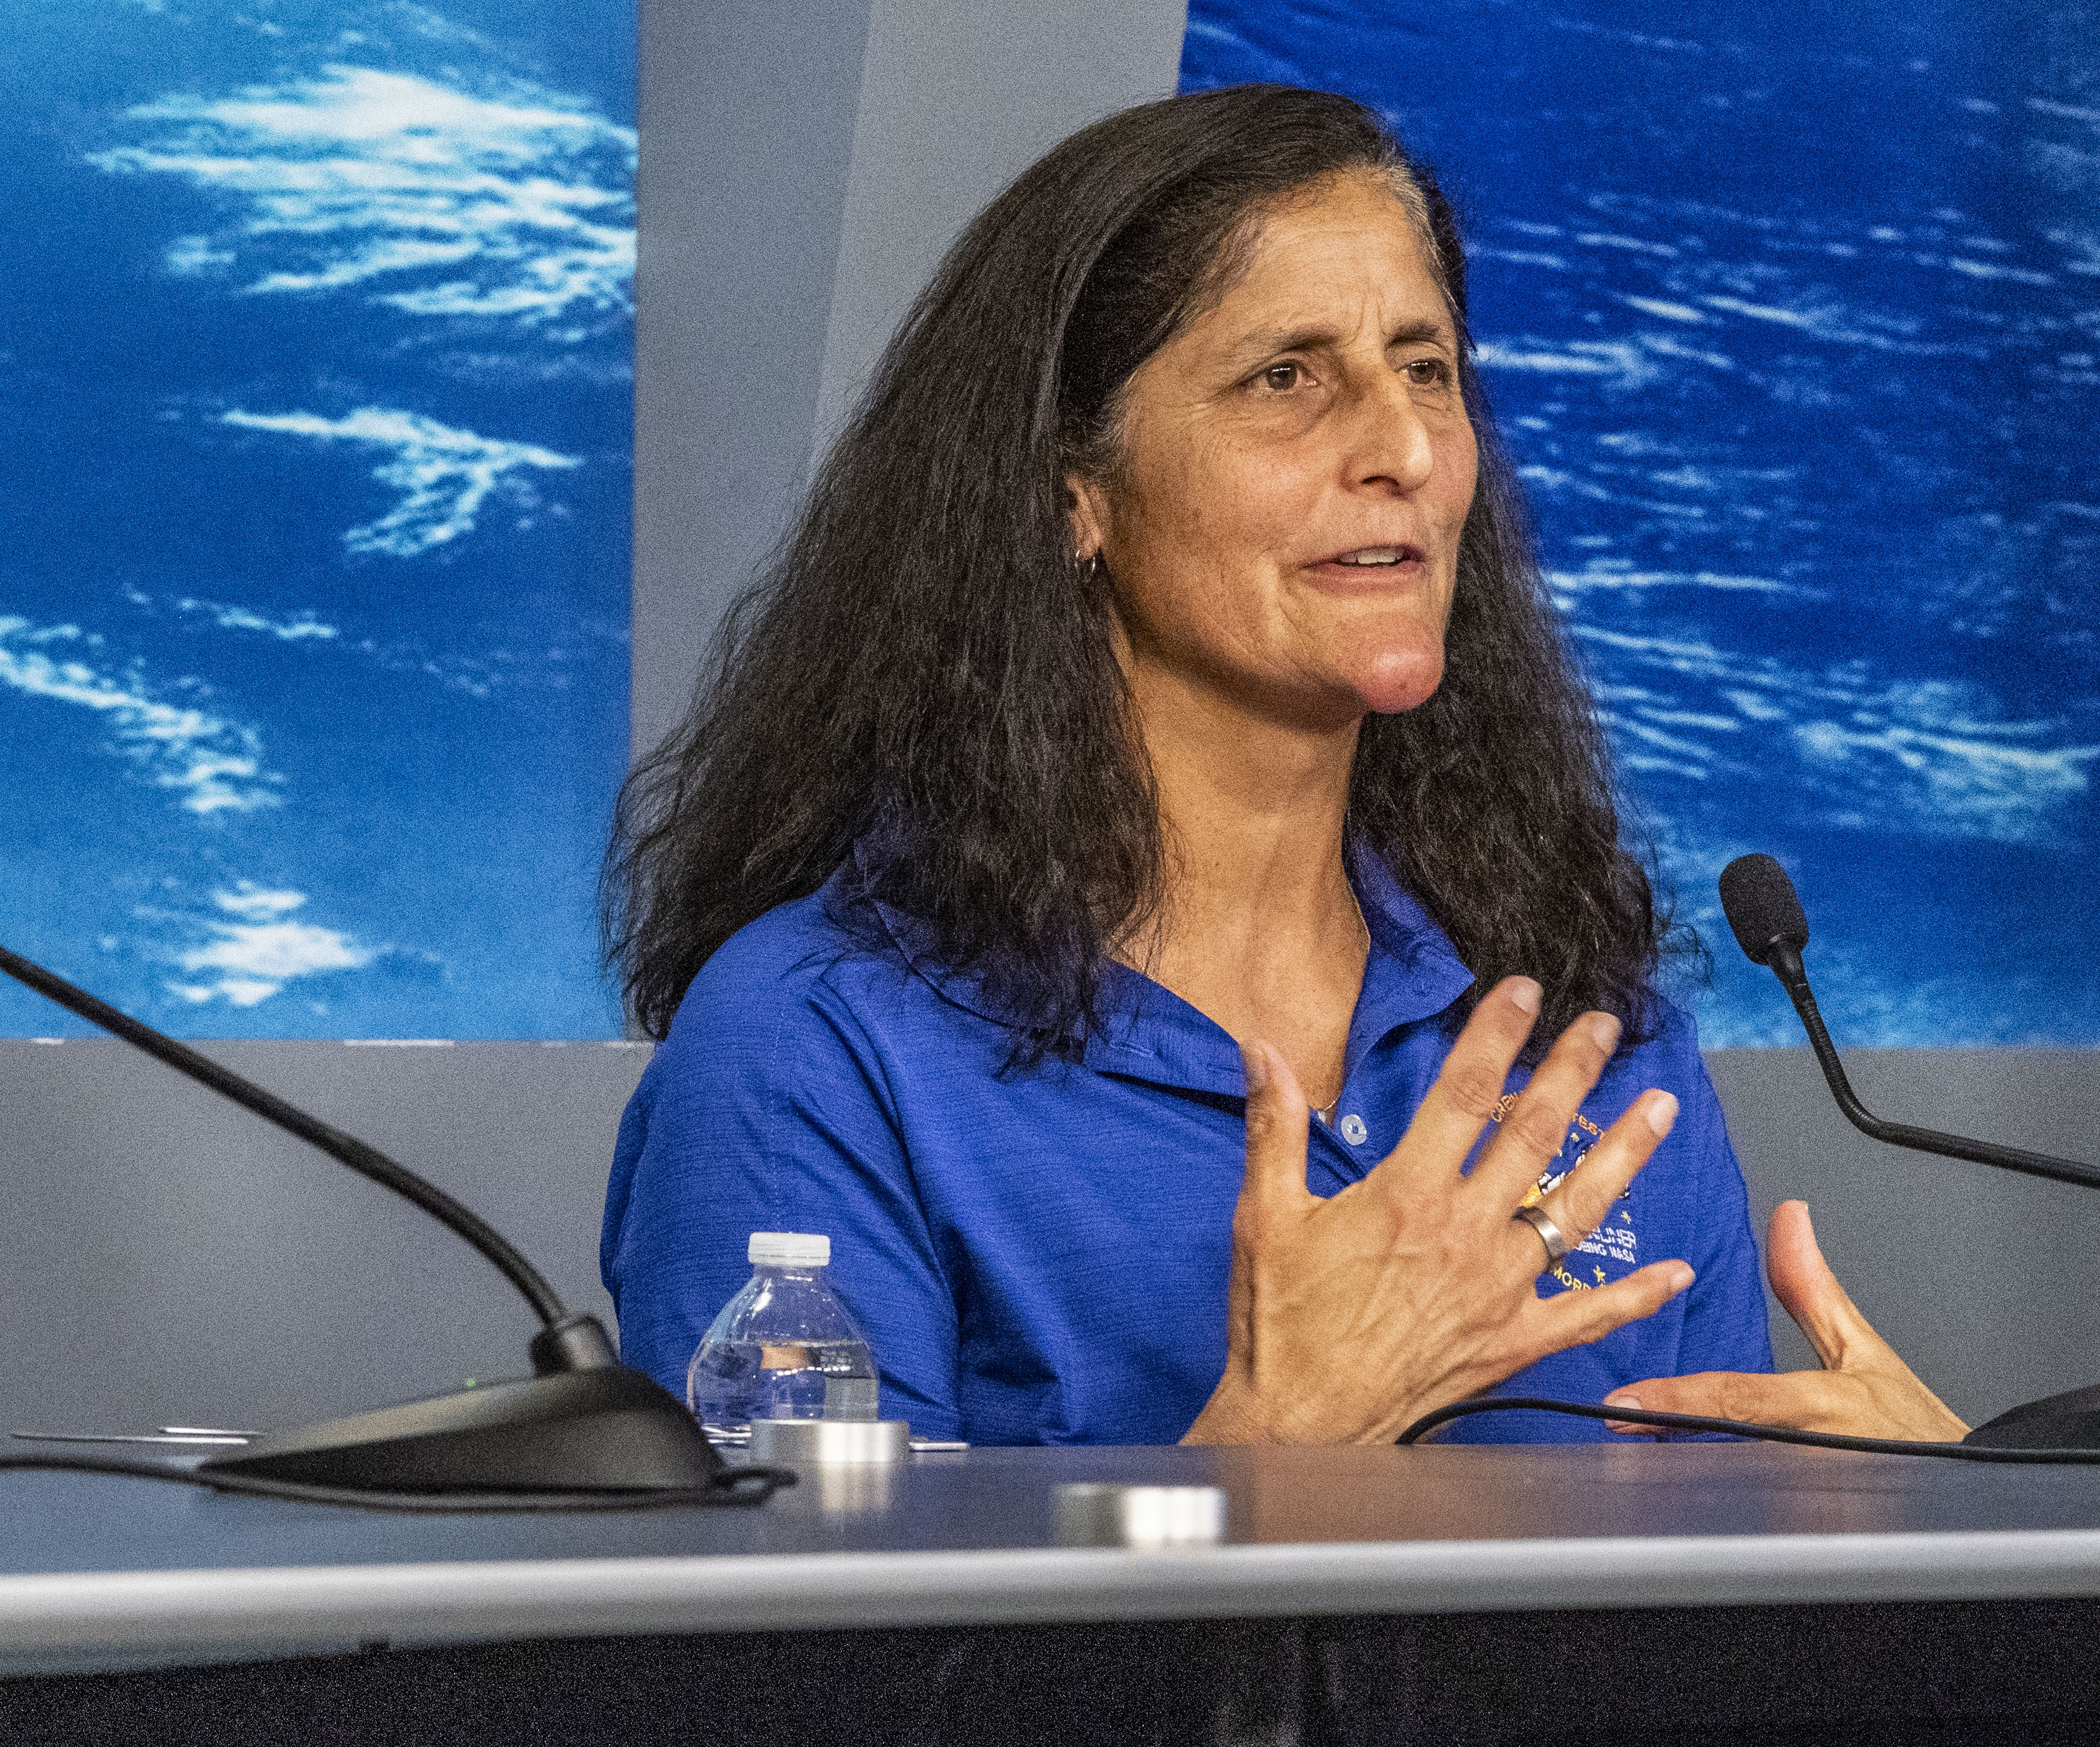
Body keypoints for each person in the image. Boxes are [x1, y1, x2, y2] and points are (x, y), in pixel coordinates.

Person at [599, 84, 1964, 1447]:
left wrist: (1915, 1552)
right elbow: (821, 1661)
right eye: (1285, 378)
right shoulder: (815, 1045)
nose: (1407, 450)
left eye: (1425, 367)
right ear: (1071, 490)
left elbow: (1695, 1648)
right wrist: (1280, 1440)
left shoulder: (1581, 1029)